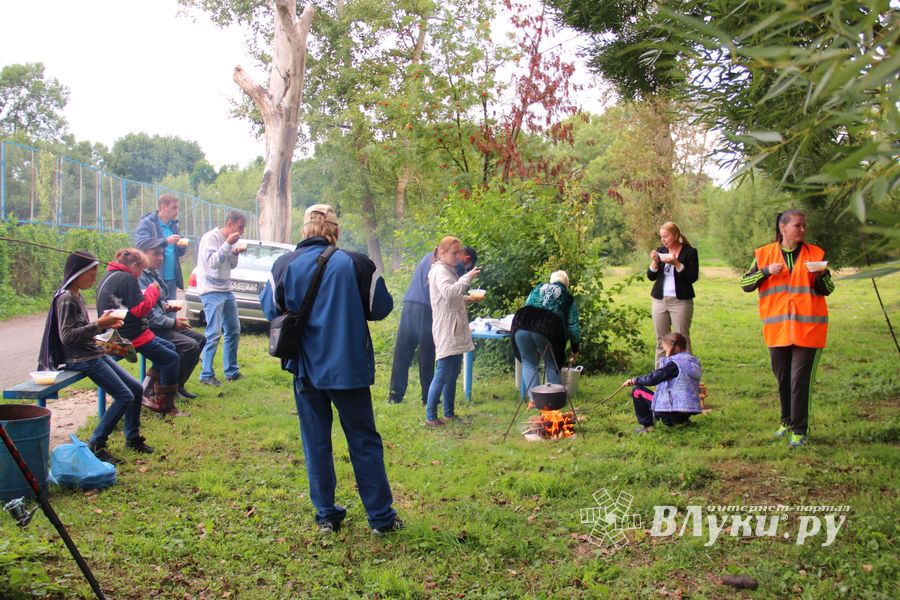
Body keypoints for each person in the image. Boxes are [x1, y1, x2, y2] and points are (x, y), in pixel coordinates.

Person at [260, 203, 403, 535]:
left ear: (305, 230)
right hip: (347, 369)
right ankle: (381, 518)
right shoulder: (356, 263)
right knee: (364, 441)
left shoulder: (282, 265)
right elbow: (381, 307)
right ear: (335, 231)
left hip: (305, 370)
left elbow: (271, 309)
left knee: (316, 441)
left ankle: (326, 515)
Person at [38, 251, 153, 463]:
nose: (93, 279)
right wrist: (100, 324)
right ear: (78, 274)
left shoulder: (77, 296)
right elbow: (67, 337)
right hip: (81, 358)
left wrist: (106, 328)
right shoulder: (66, 299)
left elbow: (83, 329)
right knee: (124, 396)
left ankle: (132, 438)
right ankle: (97, 444)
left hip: (93, 352)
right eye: (91, 275)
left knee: (136, 389)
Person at [740, 209, 834, 448]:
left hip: (809, 330)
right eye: (798, 225)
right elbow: (745, 284)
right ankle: (786, 421)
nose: (803, 230)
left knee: (799, 381)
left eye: (804, 226)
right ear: (783, 228)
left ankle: (800, 431)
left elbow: (828, 288)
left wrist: (821, 276)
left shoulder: (815, 254)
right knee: (783, 380)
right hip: (777, 330)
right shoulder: (764, 254)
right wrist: (764, 272)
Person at [96, 248, 184, 416]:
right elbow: (139, 310)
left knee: (170, 348)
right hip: (127, 336)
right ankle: (165, 405)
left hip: (121, 331)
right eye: (141, 269)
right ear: (134, 266)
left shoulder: (110, 275)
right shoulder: (126, 278)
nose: (140, 274)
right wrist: (152, 291)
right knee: (171, 359)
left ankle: (147, 391)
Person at [388, 246, 478, 405]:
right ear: (467, 260)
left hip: (410, 304)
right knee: (427, 353)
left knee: (403, 351)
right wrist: (467, 294)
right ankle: (427, 397)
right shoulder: (454, 264)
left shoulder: (429, 256)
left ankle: (395, 395)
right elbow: (448, 294)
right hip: (427, 309)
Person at [136, 238, 207, 400]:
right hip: (150, 328)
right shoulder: (140, 277)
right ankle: (163, 389)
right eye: (156, 254)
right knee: (189, 346)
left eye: (162, 254)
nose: (160, 258)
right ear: (144, 255)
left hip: (161, 325)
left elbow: (156, 303)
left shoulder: (154, 274)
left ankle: (177, 386)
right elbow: (148, 315)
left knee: (200, 339)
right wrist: (172, 322)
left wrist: (167, 307)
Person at [424, 236, 481, 427]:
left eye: (458, 252)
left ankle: (449, 413)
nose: (457, 257)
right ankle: (431, 417)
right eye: (454, 253)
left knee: (453, 371)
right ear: (442, 252)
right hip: (446, 327)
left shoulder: (447, 269)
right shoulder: (439, 271)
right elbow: (448, 292)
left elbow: (449, 297)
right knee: (442, 372)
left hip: (454, 324)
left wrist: (466, 298)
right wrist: (467, 278)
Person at [510, 270, 581, 401]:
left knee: (528, 363)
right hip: (547, 327)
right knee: (552, 363)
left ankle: (535, 401)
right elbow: (573, 326)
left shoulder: (537, 289)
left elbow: (527, 306)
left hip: (522, 323)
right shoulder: (567, 297)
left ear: (551, 280)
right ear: (567, 284)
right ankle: (552, 402)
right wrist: (575, 349)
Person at [196, 210, 247, 386]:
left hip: (226, 288)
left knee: (233, 329)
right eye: (240, 227)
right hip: (210, 290)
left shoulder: (232, 240)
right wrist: (227, 244)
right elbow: (212, 262)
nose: (241, 232)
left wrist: (235, 253)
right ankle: (206, 374)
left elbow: (230, 265)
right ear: (230, 224)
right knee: (214, 333)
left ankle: (231, 371)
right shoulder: (210, 238)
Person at [625, 332, 702, 433]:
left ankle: (648, 426)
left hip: (671, 411)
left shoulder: (674, 365)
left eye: (666, 349)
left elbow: (652, 379)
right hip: (688, 410)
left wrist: (634, 380)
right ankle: (682, 422)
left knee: (637, 391)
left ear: (675, 347)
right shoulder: (693, 362)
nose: (665, 353)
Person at [647, 222, 699, 367]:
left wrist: (676, 263)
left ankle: (686, 377)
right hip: (660, 300)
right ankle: (660, 380)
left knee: (682, 339)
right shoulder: (660, 250)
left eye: (666, 236)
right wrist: (655, 262)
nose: (663, 240)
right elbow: (651, 276)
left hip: (681, 302)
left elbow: (691, 278)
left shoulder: (690, 252)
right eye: (661, 237)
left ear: (675, 236)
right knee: (661, 340)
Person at [135, 193, 187, 301]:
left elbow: (175, 252)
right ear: (163, 207)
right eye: (174, 207)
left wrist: (181, 247)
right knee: (156, 309)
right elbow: (140, 243)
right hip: (153, 276)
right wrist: (165, 241)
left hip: (171, 278)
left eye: (177, 207)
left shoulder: (173, 225)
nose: (177, 211)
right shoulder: (147, 223)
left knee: (172, 311)